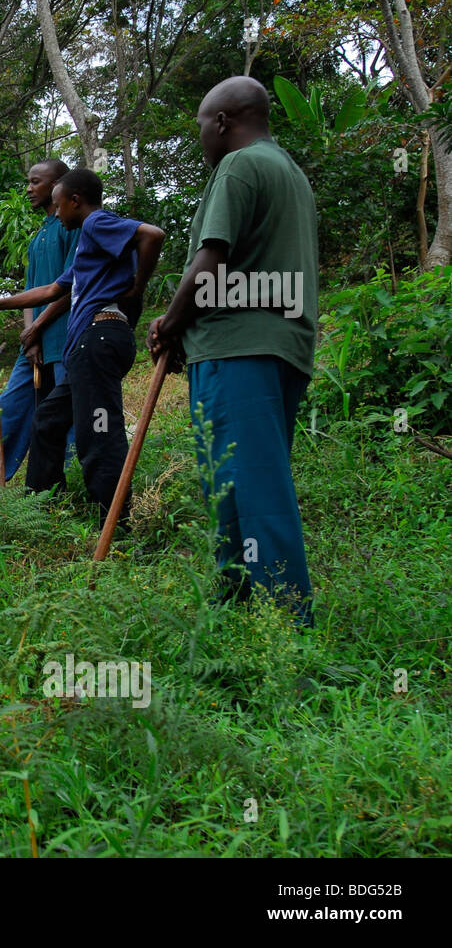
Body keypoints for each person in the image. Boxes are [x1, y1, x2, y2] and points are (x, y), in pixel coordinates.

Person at [148, 76, 318, 625]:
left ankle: (288, 629)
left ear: (222, 120)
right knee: (230, 485)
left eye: (201, 122)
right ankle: (234, 605)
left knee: (254, 489)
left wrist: (170, 325)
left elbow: (210, 262)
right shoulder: (290, 172)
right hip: (278, 346)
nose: (201, 134)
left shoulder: (239, 166)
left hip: (240, 349)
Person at [0, 168, 165, 525]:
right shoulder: (87, 245)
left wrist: (136, 289)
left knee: (98, 433)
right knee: (48, 422)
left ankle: (114, 524)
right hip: (86, 345)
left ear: (75, 201)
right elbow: (53, 290)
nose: (56, 212)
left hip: (101, 337)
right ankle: (39, 508)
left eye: (58, 204)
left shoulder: (97, 222)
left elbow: (153, 235)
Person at [0, 159, 78, 498]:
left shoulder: (73, 227)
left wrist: (41, 328)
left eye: (36, 182)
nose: (29, 189)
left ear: (59, 185)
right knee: (10, 411)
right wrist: (30, 335)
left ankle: (67, 491)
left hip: (67, 338)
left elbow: (72, 287)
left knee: (68, 418)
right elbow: (34, 292)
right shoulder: (39, 236)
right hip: (35, 342)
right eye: (28, 182)